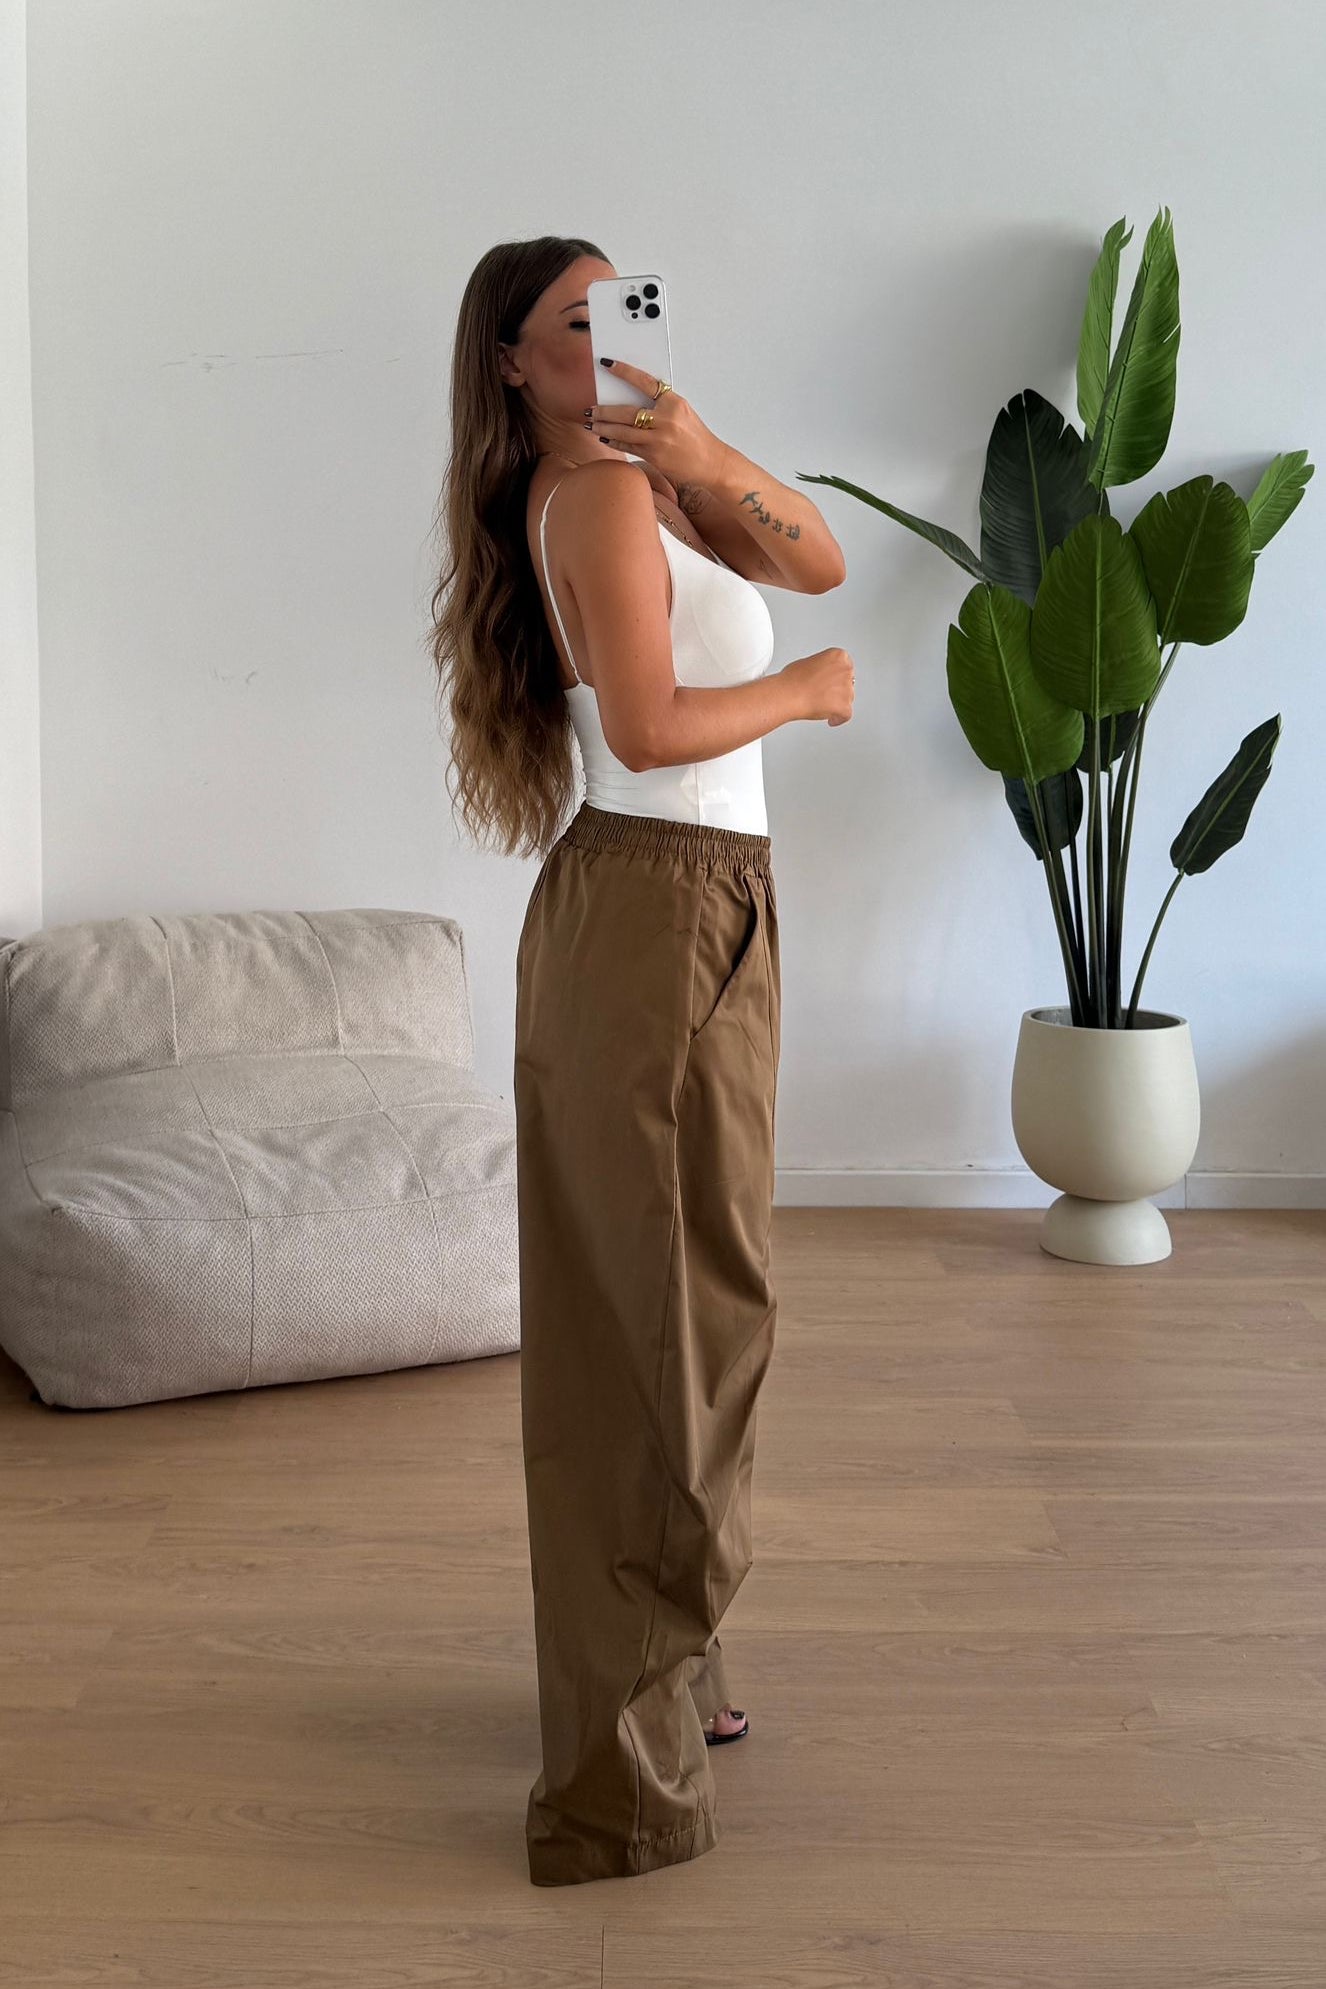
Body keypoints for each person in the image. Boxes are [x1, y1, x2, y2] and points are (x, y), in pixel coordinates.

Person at [428, 236, 853, 1886]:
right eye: (570, 320)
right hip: (659, 906)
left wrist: (704, 448)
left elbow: (816, 557)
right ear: (512, 363)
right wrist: (803, 694)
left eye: (623, 305)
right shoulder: (596, 500)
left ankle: (671, 1657)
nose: (606, 336)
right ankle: (614, 1788)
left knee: (701, 1305)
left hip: (696, 904)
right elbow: (648, 727)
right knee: (652, 1335)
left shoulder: (645, 482)